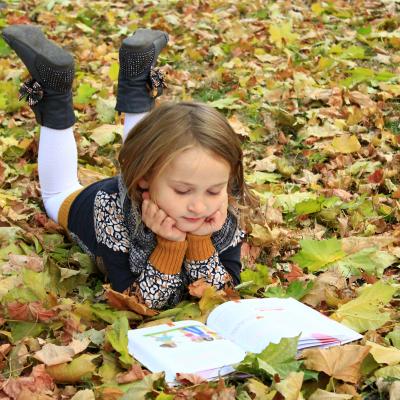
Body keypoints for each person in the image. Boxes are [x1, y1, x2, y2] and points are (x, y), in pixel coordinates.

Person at [2, 24, 250, 310]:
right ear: (144, 180)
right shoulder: (111, 214)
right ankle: (54, 95)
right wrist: (169, 246)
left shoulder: (222, 209)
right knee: (57, 194)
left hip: (148, 180)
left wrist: (200, 241)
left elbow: (224, 294)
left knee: (150, 150)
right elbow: (138, 301)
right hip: (89, 202)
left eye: (213, 190)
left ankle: (137, 82)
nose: (198, 206)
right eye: (183, 191)